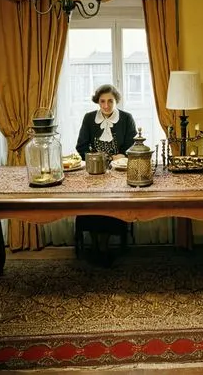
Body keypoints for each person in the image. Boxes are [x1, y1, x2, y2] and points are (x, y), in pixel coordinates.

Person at [76, 84, 137, 267]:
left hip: (119, 174)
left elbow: (133, 145)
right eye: (102, 101)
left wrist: (122, 155)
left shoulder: (126, 118)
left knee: (111, 206)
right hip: (94, 173)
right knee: (92, 206)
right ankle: (94, 246)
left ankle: (103, 247)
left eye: (110, 101)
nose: (106, 105)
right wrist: (99, 158)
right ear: (97, 101)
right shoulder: (88, 119)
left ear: (116, 101)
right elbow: (81, 146)